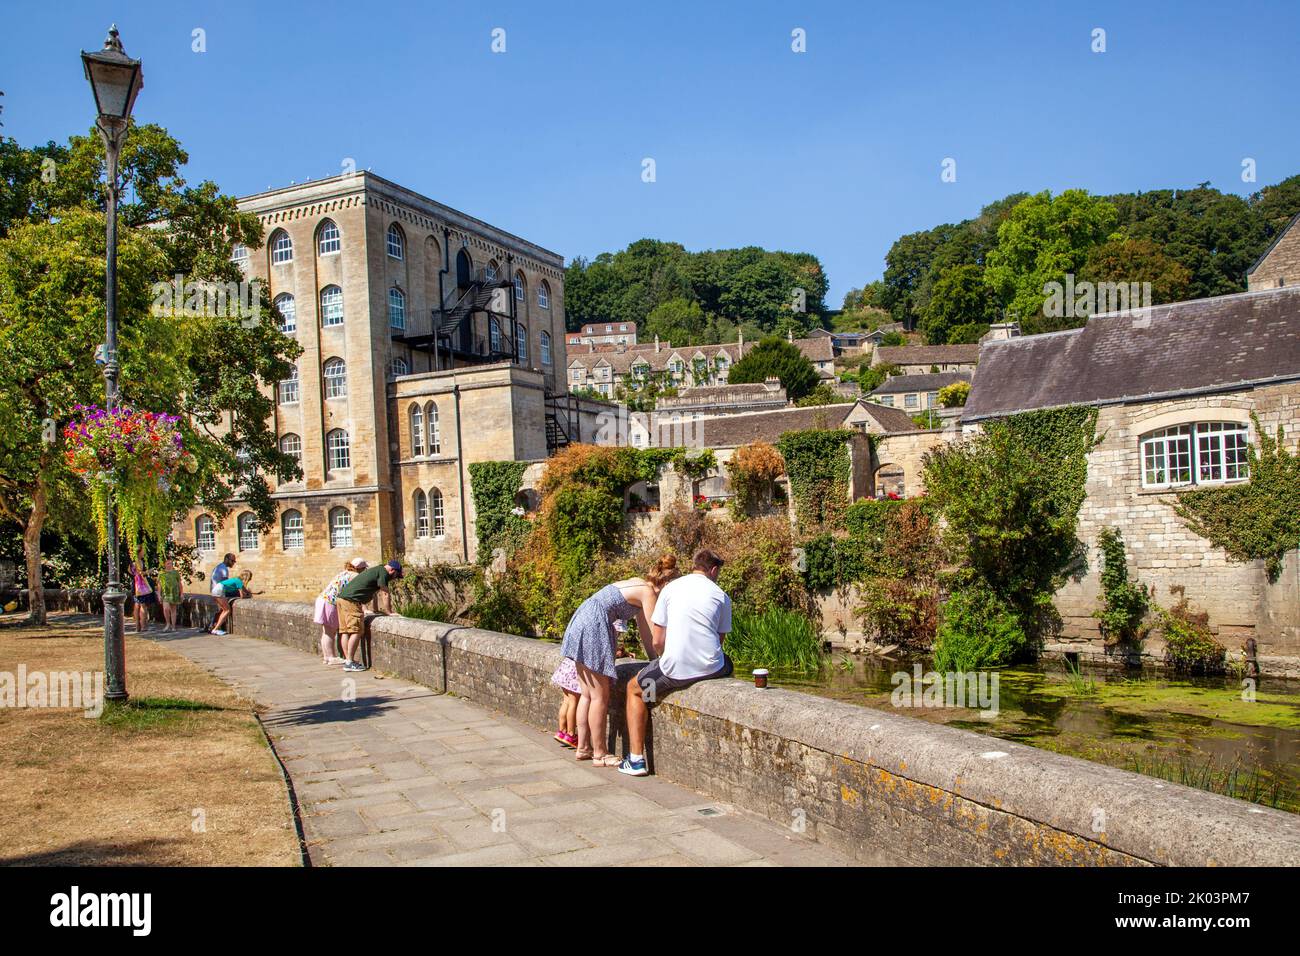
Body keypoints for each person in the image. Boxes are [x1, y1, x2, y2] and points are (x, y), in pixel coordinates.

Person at [620, 549, 734, 777]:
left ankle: (636, 760)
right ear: (713, 570)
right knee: (728, 663)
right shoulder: (722, 595)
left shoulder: (670, 589)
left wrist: (663, 658)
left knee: (634, 689)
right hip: (712, 667)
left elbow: (658, 641)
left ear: (694, 566)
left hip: (677, 669)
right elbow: (718, 641)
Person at [559, 554, 677, 767]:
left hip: (582, 617)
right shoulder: (649, 593)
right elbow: (654, 633)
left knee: (586, 693)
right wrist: (663, 659)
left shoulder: (639, 585)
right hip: (595, 624)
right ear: (665, 585)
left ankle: (583, 747)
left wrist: (654, 659)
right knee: (599, 696)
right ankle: (600, 753)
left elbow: (645, 634)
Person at [335, 560, 404, 673]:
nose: (395, 578)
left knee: (345, 631)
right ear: (392, 570)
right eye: (396, 576)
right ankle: (349, 662)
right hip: (351, 602)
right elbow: (385, 593)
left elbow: (372, 593)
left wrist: (374, 610)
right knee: (356, 631)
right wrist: (389, 612)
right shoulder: (383, 573)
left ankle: (348, 660)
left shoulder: (376, 570)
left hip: (341, 599)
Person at [314, 559, 368, 665]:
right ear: (360, 568)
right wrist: (365, 609)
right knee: (330, 631)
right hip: (330, 602)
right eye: (364, 568)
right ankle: (331, 657)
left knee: (326, 631)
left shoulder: (343, 573)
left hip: (322, 599)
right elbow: (358, 592)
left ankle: (327, 657)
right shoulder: (355, 576)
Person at [550, 656, 580, 748]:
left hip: (566, 666)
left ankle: (562, 732)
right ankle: (571, 734)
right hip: (574, 670)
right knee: (573, 703)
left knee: (566, 701)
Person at [128, 554, 156, 633]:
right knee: (142, 605)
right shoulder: (138, 561)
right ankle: (143, 626)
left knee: (137, 605)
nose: (144, 553)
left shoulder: (132, 562)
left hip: (135, 584)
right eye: (143, 551)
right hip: (141, 585)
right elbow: (140, 573)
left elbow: (130, 571)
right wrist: (148, 571)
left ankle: (137, 626)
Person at [210, 552, 236, 635]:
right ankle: (216, 629)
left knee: (221, 609)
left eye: (234, 561)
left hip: (214, 591)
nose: (233, 563)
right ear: (226, 559)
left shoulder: (218, 566)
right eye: (232, 561)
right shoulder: (224, 569)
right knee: (227, 610)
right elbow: (226, 583)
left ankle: (212, 626)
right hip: (219, 591)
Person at [157, 557, 183, 632]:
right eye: (168, 563)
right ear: (164, 564)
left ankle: (173, 626)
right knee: (166, 608)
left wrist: (181, 593)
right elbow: (159, 585)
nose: (169, 565)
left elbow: (179, 584)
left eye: (171, 563)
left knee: (173, 610)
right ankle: (168, 623)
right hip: (165, 593)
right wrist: (159, 595)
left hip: (174, 593)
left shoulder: (175, 573)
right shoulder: (161, 573)